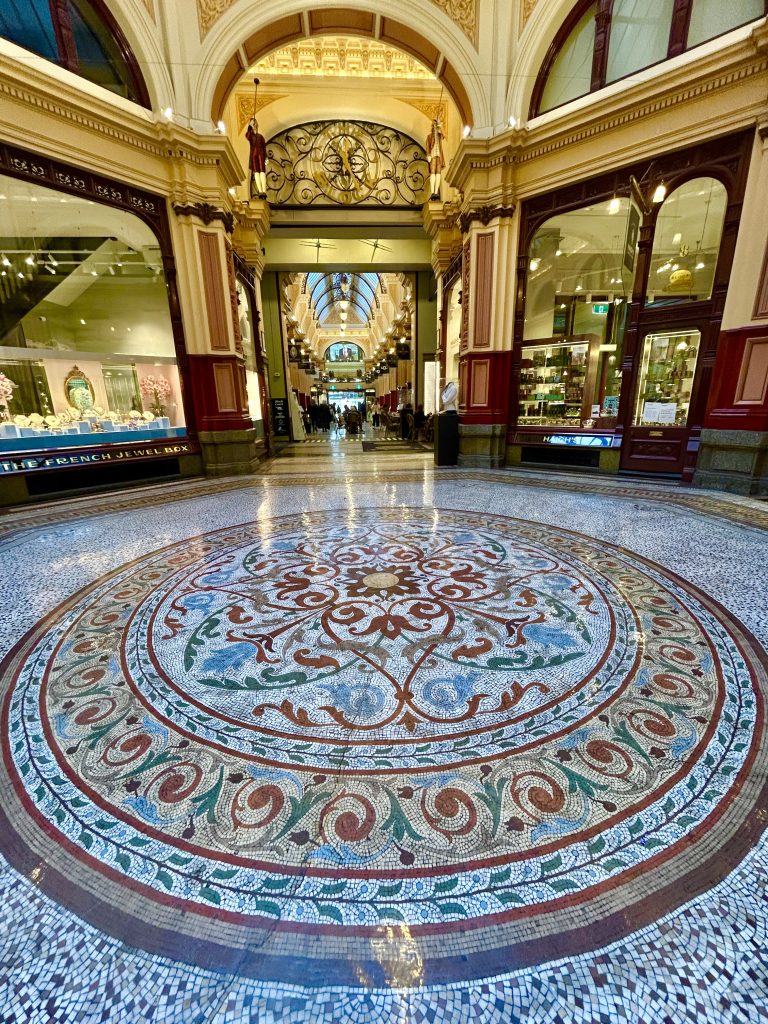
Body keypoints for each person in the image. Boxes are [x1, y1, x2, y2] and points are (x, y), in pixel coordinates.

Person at [246, 116, 267, 198]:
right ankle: (260, 190)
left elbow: (264, 147)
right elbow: (248, 136)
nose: (254, 124)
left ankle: (264, 191)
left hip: (260, 154)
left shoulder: (260, 137)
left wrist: (266, 157)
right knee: (256, 172)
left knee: (262, 171)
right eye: (253, 123)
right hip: (254, 154)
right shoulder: (250, 135)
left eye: (255, 123)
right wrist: (250, 126)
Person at [426, 117, 445, 200]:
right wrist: (428, 155)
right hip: (433, 154)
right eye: (433, 125)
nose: (434, 127)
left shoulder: (439, 135)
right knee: (433, 172)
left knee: (438, 172)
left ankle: (436, 191)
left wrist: (440, 125)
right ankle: (432, 191)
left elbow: (444, 135)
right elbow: (427, 146)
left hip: (439, 155)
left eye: (435, 125)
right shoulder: (429, 136)